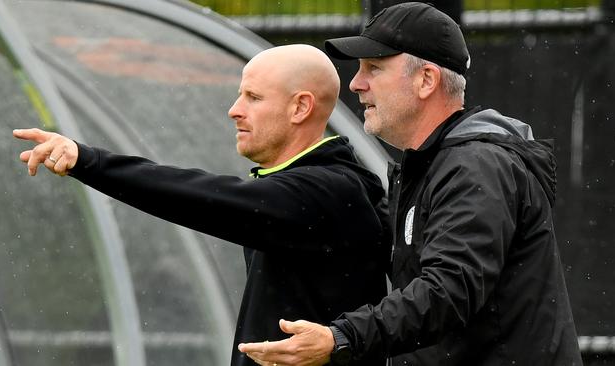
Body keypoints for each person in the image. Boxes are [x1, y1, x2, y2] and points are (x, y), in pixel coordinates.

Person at [239, 3, 583, 366]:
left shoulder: (475, 165)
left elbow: (448, 292)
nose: (356, 83)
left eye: (374, 67)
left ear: (427, 81)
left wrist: (340, 337)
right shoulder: (431, 166)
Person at [13, 44, 389, 366]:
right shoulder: (326, 182)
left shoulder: (324, 191)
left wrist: (88, 160)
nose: (234, 110)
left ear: (300, 108)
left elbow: (196, 197)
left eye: (253, 98)